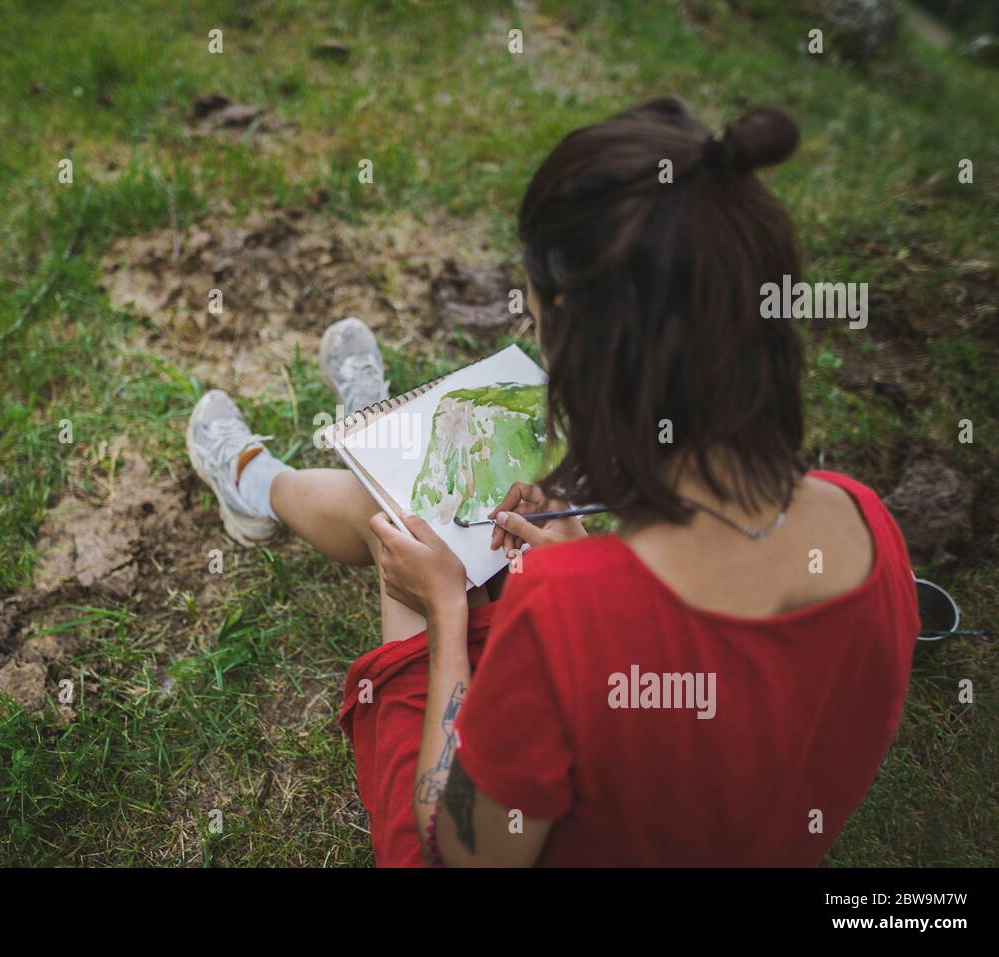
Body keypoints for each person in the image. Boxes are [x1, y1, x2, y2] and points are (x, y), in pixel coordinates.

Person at [185, 98, 920, 867]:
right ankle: (350, 447)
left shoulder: (568, 616)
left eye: (536, 320)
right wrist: (586, 559)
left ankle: (271, 480)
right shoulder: (866, 522)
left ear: (577, 336)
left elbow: (460, 849)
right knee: (423, 516)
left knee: (407, 527)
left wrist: (442, 613)